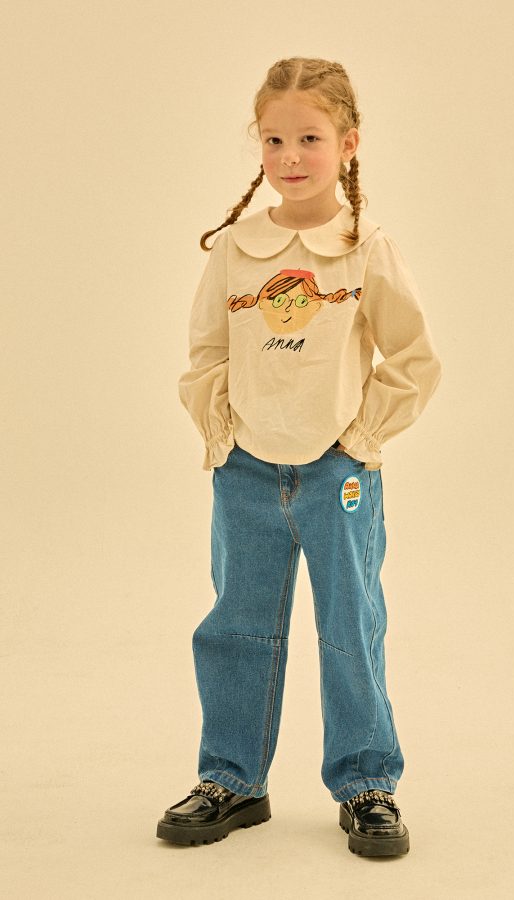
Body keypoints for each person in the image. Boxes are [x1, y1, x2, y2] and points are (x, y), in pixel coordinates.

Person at [156, 56, 442, 858]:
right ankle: (232, 779)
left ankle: (367, 782)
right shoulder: (236, 248)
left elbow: (413, 358)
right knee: (236, 625)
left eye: (310, 138)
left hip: (336, 474)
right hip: (246, 471)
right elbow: (207, 350)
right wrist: (222, 435)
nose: (290, 156)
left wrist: (359, 441)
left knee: (351, 626)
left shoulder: (365, 248)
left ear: (348, 144)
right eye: (275, 139)